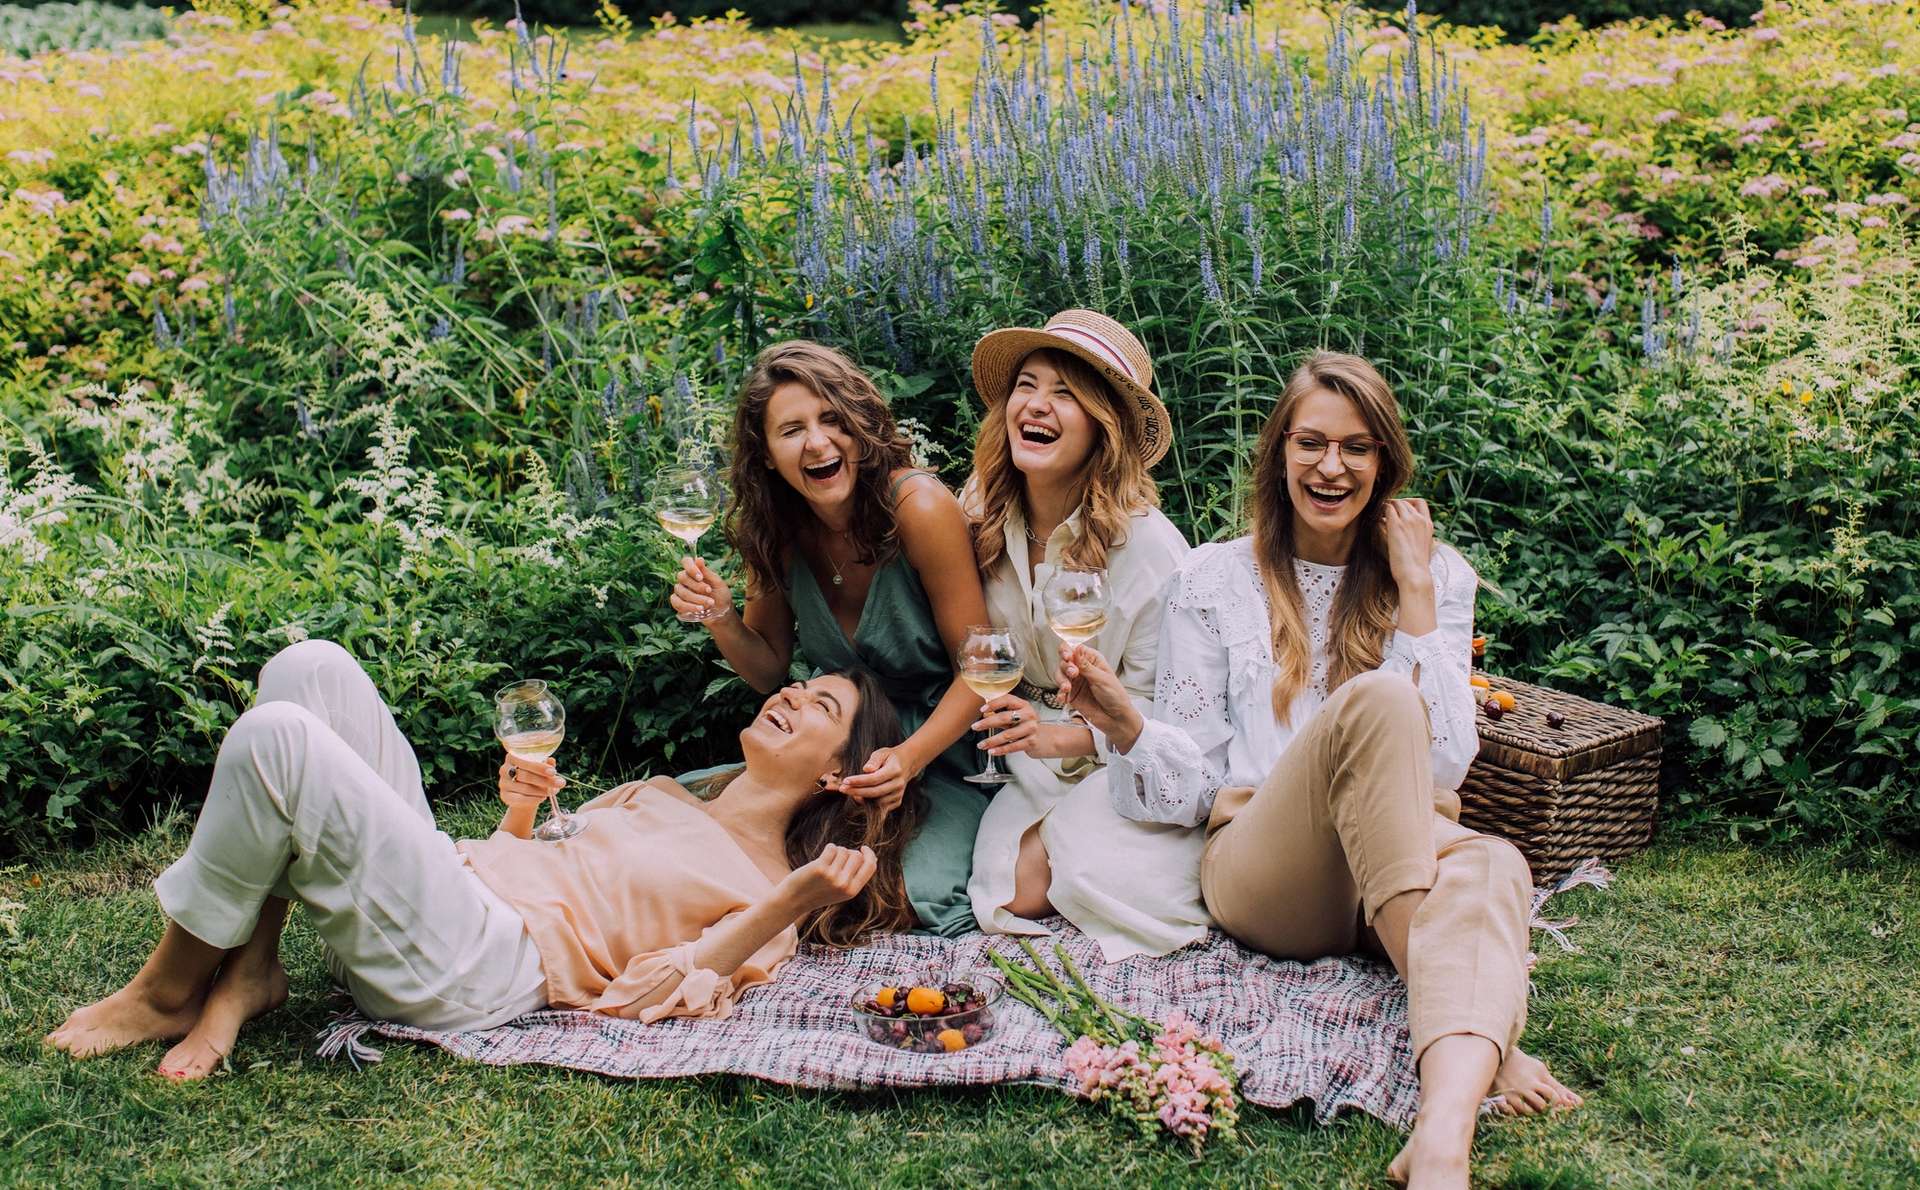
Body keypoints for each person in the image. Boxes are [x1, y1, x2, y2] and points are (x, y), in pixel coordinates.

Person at [1060, 352, 1582, 1189]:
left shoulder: (1436, 576)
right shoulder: (1212, 578)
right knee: (1379, 704)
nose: (1332, 467)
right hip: (1273, 871)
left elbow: (1449, 760)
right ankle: (1498, 1043)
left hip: (1396, 865)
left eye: (1358, 448)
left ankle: (1443, 1138)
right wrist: (1125, 724)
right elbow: (1193, 787)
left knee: (1496, 862)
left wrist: (1414, 588)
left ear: (1385, 464)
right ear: (1279, 455)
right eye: (1311, 443)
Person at [44, 639, 920, 1081]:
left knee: (280, 740)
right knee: (310, 670)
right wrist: (523, 808)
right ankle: (251, 972)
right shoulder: (659, 794)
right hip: (456, 885)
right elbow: (527, 858)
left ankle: (166, 991)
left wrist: (795, 901)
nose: (791, 695)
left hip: (478, 965)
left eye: (820, 706)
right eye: (798, 685)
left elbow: (646, 997)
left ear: (839, 772)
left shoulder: (770, 890)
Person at [670, 340, 991, 935]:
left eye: (833, 420)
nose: (818, 443)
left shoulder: (918, 507)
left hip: (937, 750)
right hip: (831, 750)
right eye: (791, 430)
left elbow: (982, 669)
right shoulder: (775, 529)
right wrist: (720, 617)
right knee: (691, 817)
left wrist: (907, 759)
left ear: (861, 428)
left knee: (909, 891)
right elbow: (768, 670)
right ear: (766, 454)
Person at [958, 310, 1206, 961]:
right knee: (1006, 893)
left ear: (1105, 427)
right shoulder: (983, 510)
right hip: (1025, 762)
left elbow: (1171, 718)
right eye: (1028, 385)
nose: (1037, 405)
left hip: (1121, 764)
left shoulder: (1151, 550)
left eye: (1066, 394)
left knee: (1071, 877)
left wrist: (1061, 736)